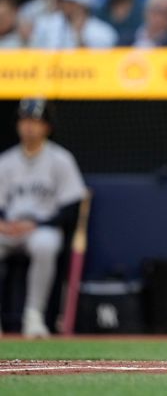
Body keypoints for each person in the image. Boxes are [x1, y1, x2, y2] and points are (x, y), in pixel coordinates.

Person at [0, 99, 87, 338]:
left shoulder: (61, 159)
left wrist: (36, 224)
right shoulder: (5, 161)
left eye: (36, 122)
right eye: (25, 121)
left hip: (43, 227)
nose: (29, 127)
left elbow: (71, 208)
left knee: (45, 244)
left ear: (47, 127)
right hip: (9, 228)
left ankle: (33, 317)